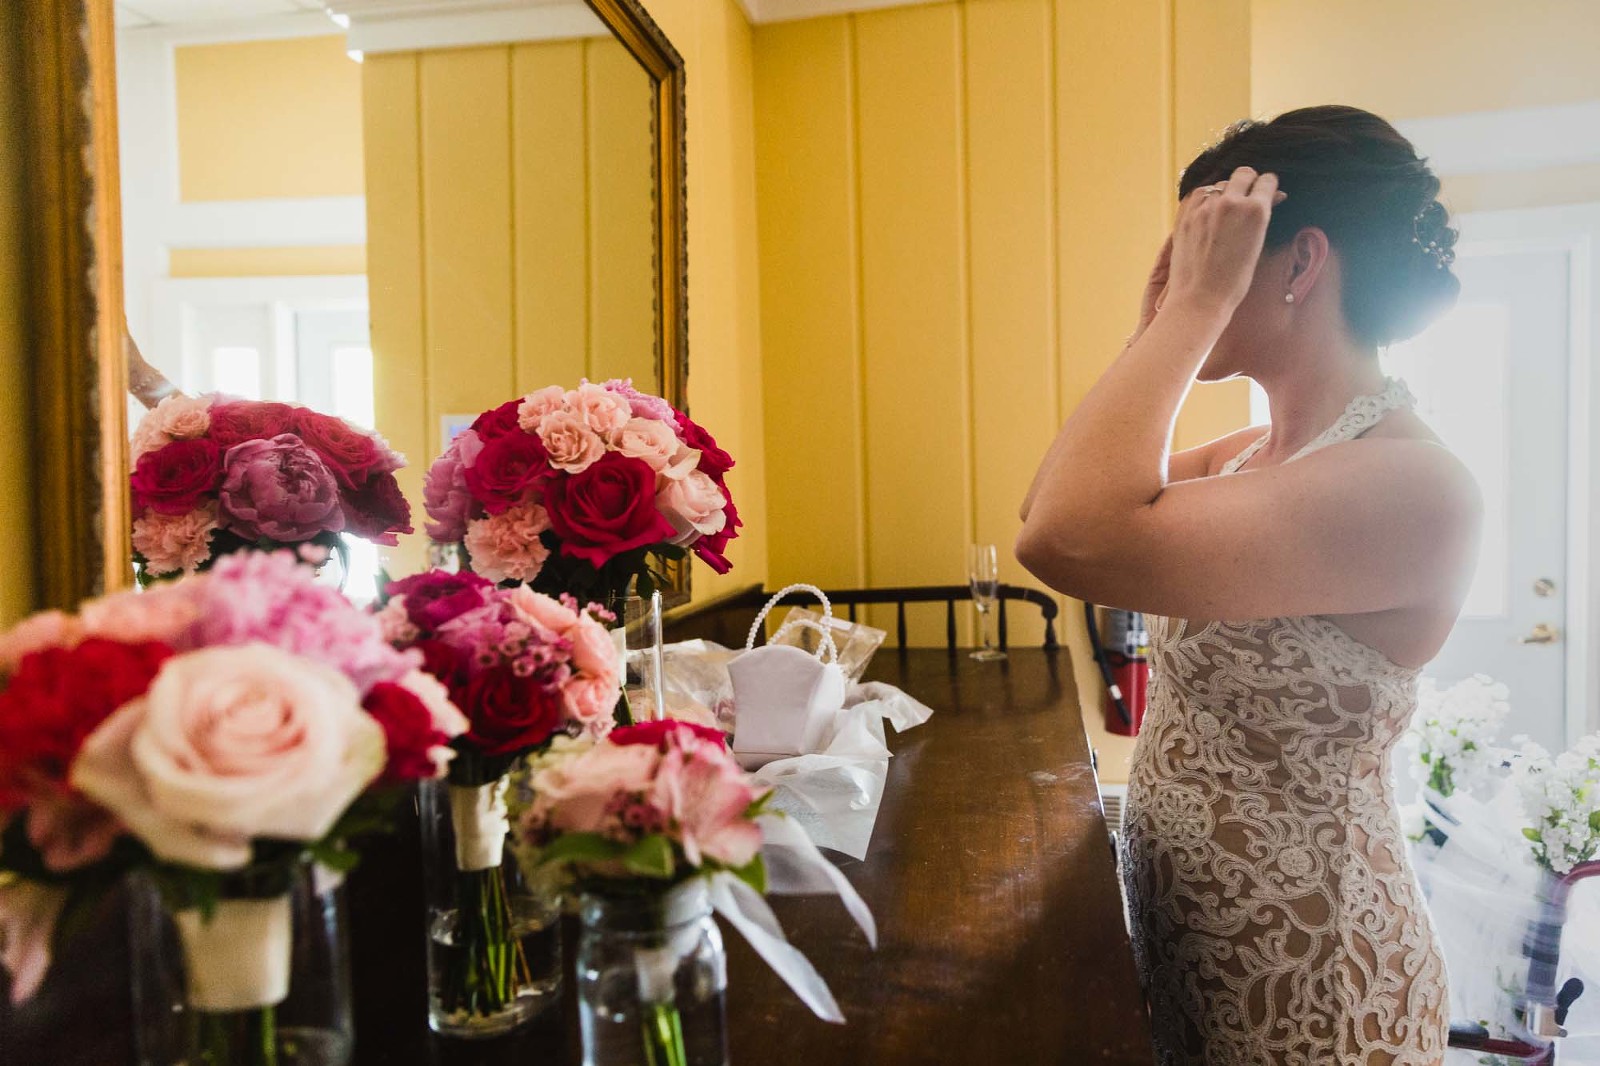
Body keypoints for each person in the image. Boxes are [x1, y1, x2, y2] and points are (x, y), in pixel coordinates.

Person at [1016, 105, 1482, 1064]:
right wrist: (1158, 326)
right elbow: (1048, 507)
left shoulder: (1411, 484)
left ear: (1300, 261)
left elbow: (1068, 539)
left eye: (1212, 248)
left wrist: (1189, 316)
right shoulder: (1249, 455)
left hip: (1315, 987)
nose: (1190, 272)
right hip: (1201, 952)